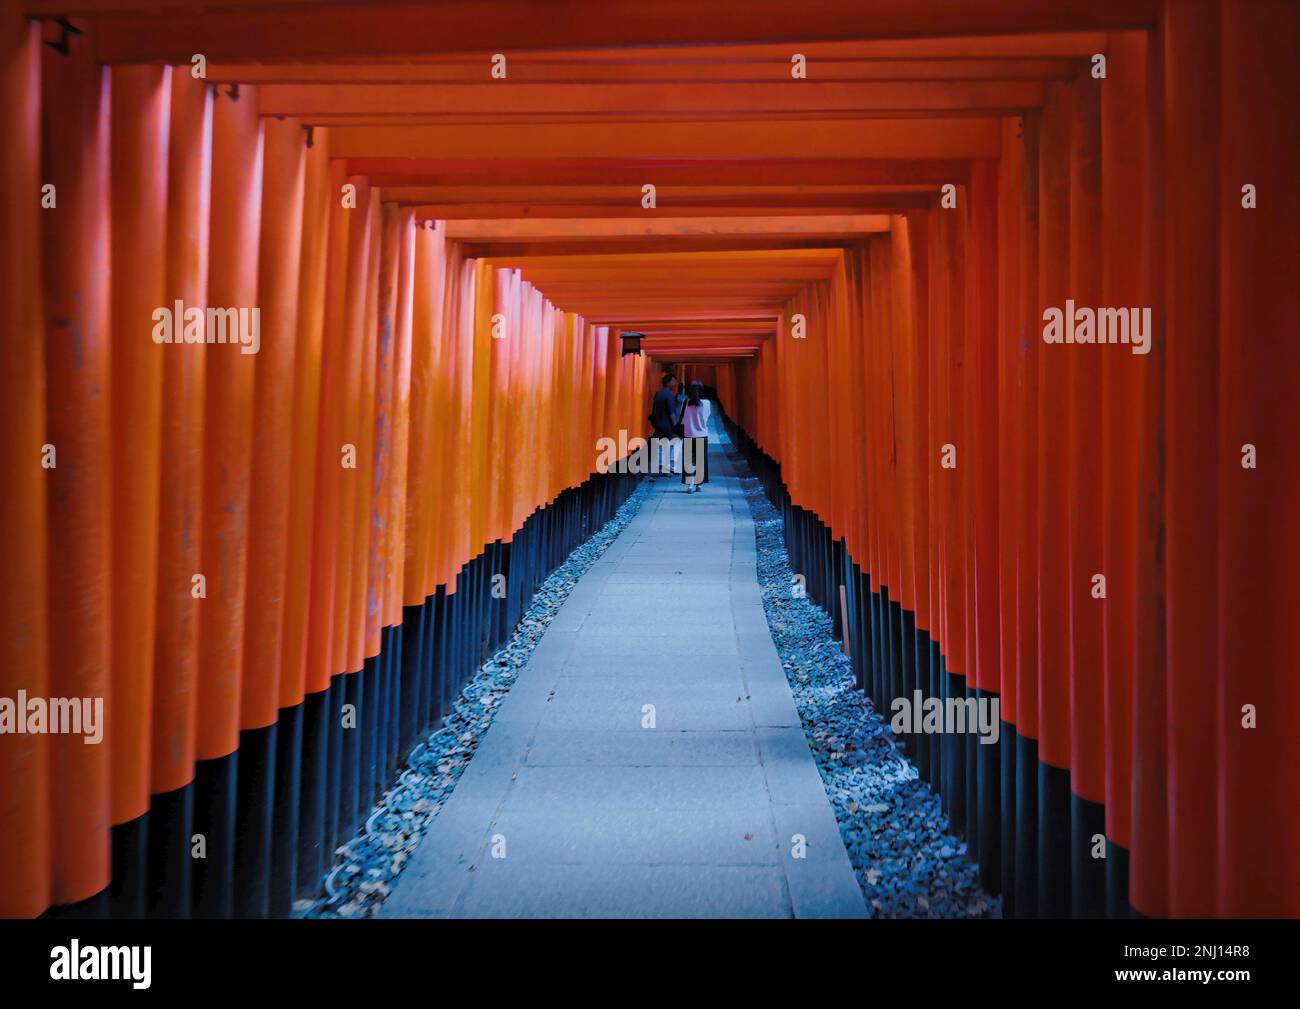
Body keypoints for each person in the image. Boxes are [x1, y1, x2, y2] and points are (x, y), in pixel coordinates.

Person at [680, 381, 711, 492]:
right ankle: (699, 484)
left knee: (689, 460)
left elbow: (682, 419)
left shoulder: (686, 402)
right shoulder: (707, 403)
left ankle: (690, 484)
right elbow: (707, 417)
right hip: (702, 435)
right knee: (700, 460)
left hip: (688, 434)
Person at [649, 373, 681, 476]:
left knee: (661, 445)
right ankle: (670, 464)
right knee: (677, 441)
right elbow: (671, 412)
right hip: (667, 424)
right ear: (668, 382)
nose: (675, 383)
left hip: (658, 423)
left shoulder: (658, 393)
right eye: (673, 381)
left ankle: (660, 468)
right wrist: (675, 425)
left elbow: (653, 410)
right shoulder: (668, 394)